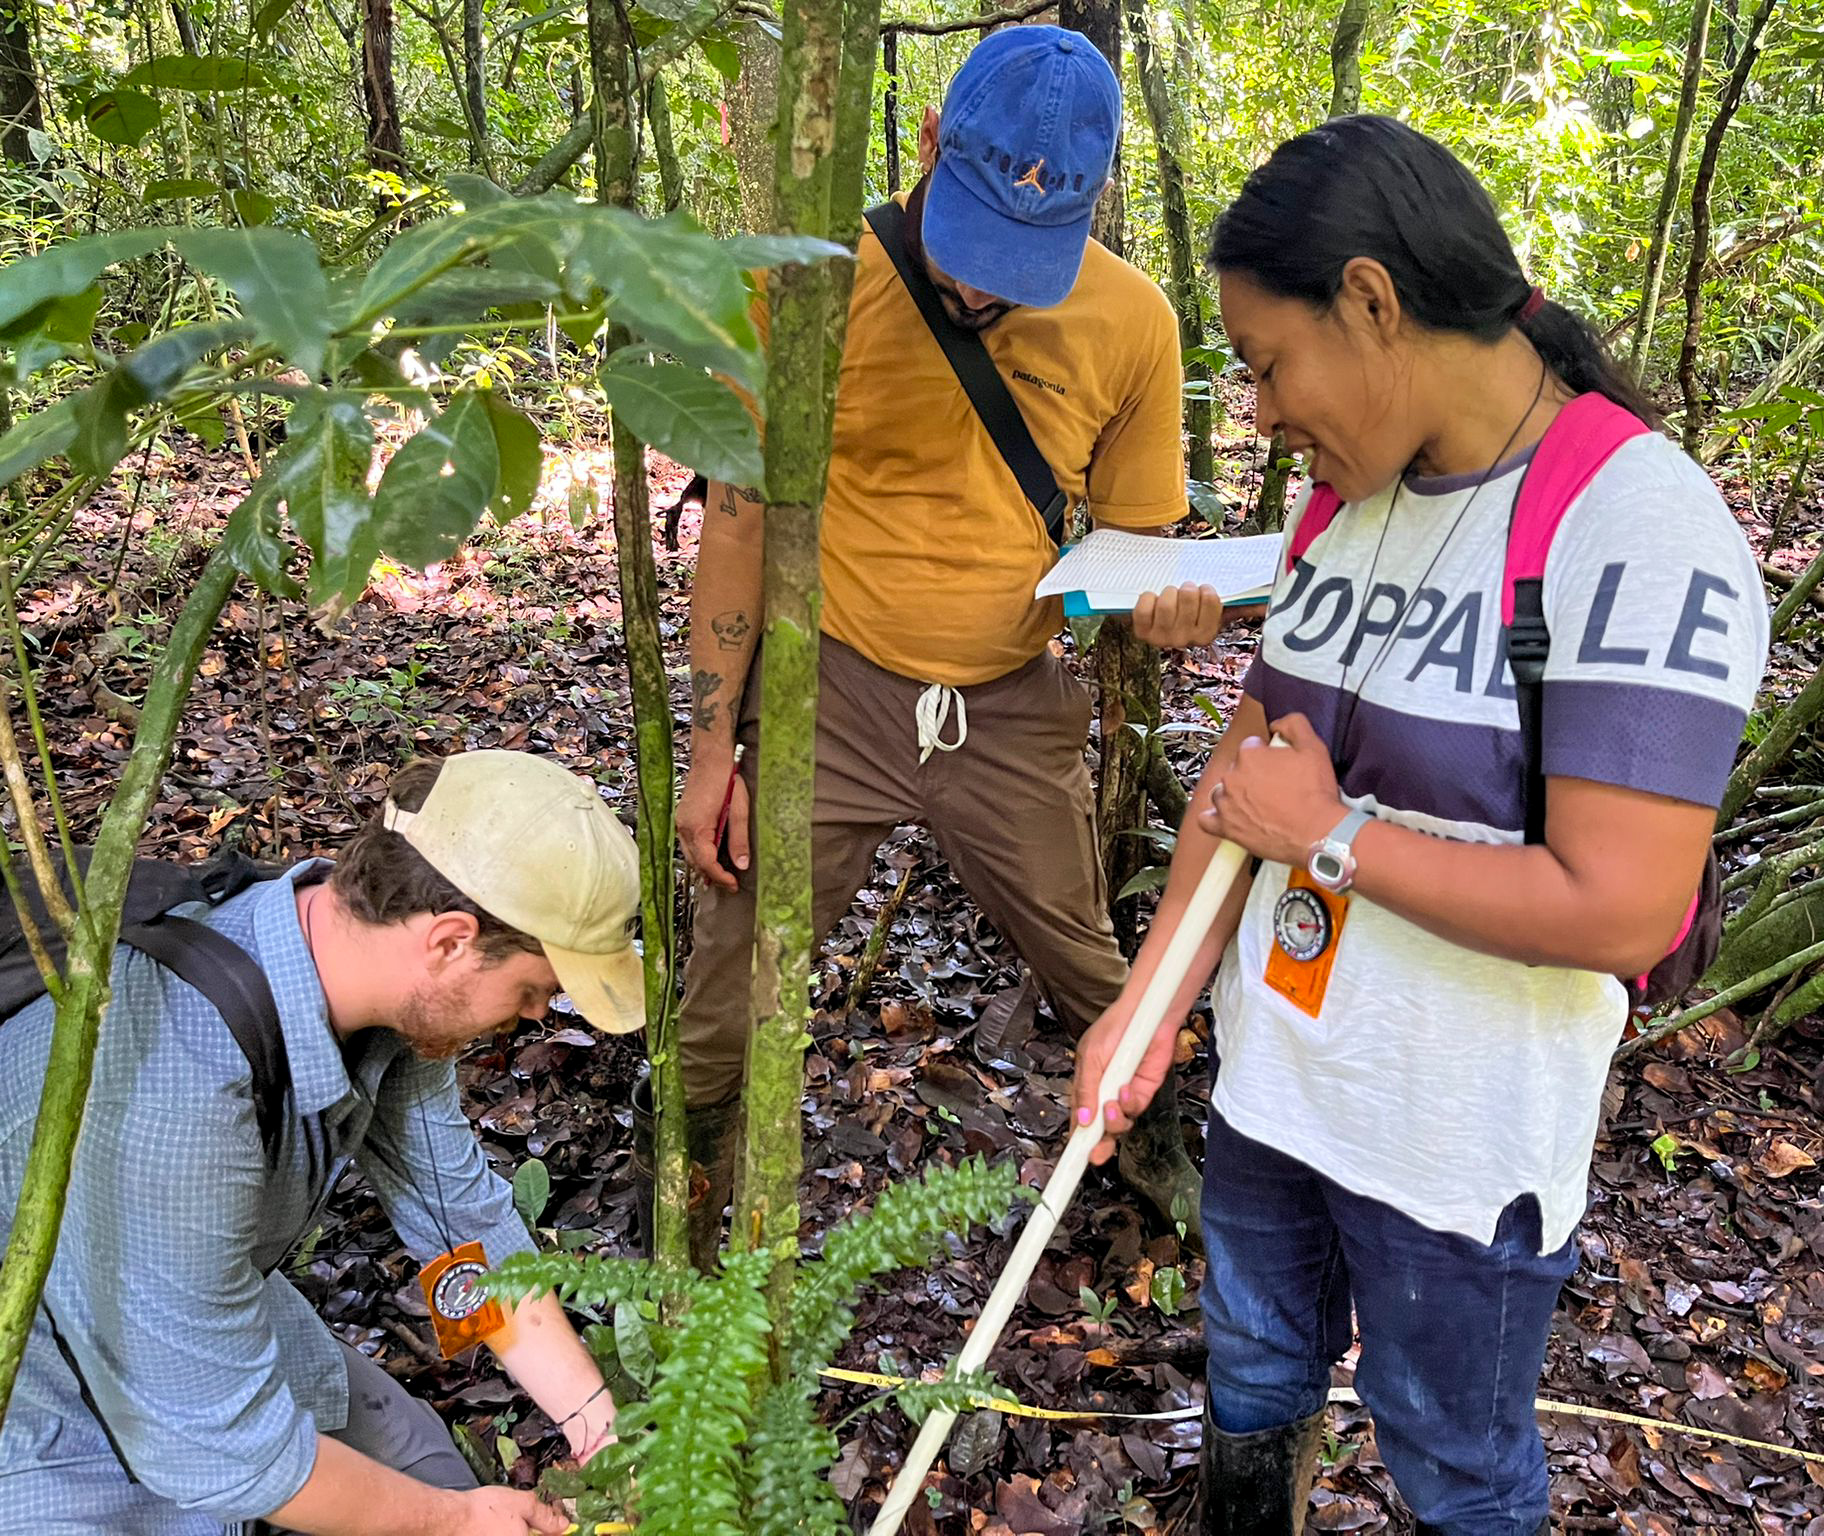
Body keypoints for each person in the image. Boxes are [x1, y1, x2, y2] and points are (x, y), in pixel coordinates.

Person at [1071, 116, 1768, 1536]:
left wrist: (1336, 842)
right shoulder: (1349, 504)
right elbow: (1250, 772)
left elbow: (1625, 905)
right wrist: (1149, 1005)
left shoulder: (1639, 525)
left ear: (1374, 302)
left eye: (1269, 364)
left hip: (1454, 1142)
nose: (1261, 412)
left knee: (1449, 1454)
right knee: (1255, 1369)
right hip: (1281, 1087)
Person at [673, 24, 1225, 1260]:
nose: (982, 289)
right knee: (730, 983)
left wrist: (1168, 611)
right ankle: (699, 1186)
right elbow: (740, 520)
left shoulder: (1131, 322)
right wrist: (715, 748)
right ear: (925, 141)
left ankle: (1149, 1143)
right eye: (974, 248)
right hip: (834, 686)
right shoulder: (806, 282)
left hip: (1008, 699)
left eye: (1022, 264)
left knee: (1091, 963)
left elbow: (1135, 548)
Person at [0, 750, 644, 1536]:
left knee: (425, 1466)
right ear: (449, 941)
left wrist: (598, 1431)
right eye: (534, 989)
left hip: (194, 1304)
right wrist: (454, 1522)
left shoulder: (381, 995)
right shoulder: (178, 1091)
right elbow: (223, 1447)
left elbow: (458, 1229)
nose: (541, 1015)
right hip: (37, 1389)